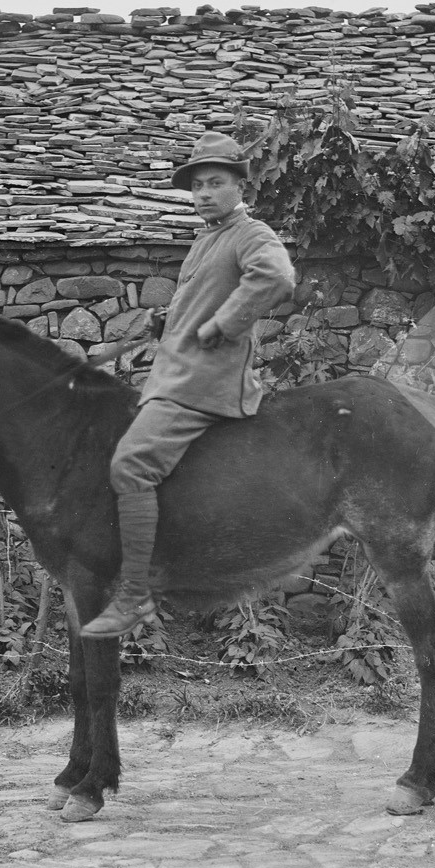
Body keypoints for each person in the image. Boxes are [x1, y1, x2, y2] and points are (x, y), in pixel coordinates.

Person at [81, 132, 296, 638]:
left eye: (215, 183)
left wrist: (224, 323)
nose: (203, 194)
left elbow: (277, 277)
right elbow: (205, 298)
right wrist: (169, 320)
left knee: (131, 465)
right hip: (177, 376)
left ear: (240, 186)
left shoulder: (250, 233)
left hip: (206, 384)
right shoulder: (207, 238)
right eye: (197, 186)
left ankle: (135, 596)